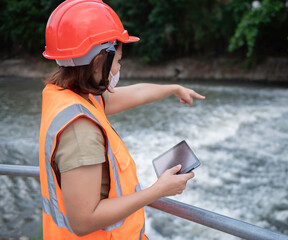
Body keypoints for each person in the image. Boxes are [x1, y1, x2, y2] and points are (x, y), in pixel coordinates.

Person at [38, 0, 205, 239]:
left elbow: (137, 93)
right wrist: (157, 190)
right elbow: (83, 221)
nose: (118, 69)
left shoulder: (72, 96)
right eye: (117, 61)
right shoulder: (79, 130)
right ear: (98, 62)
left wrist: (174, 88)